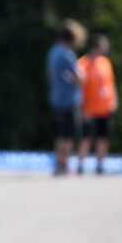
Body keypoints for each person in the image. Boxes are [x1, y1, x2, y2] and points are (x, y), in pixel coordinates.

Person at [46, 18, 86, 176]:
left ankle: (59, 164)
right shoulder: (67, 54)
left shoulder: (53, 51)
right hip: (68, 100)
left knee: (62, 134)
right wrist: (82, 75)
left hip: (56, 98)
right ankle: (63, 164)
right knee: (68, 136)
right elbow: (79, 78)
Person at [76, 33, 118, 175]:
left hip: (105, 107)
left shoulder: (105, 62)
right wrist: (82, 108)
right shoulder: (82, 63)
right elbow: (79, 89)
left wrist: (114, 100)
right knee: (86, 137)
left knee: (103, 137)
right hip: (89, 108)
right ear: (96, 47)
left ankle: (100, 164)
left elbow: (111, 83)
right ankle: (81, 164)